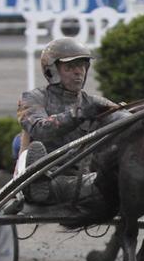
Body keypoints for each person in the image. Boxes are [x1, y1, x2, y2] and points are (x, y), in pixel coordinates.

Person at [17, 37, 125, 207]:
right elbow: (39, 129)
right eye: (70, 67)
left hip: (82, 177)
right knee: (36, 156)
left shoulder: (94, 102)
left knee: (116, 177)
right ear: (52, 71)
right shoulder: (33, 98)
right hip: (48, 175)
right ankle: (37, 182)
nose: (78, 72)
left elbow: (127, 122)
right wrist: (79, 114)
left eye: (82, 66)